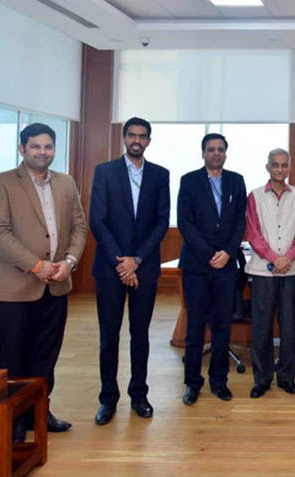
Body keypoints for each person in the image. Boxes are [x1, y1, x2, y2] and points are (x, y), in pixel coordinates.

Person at [0, 123, 86, 442]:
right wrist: (35, 266)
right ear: (22, 149)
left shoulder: (66, 182)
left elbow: (79, 227)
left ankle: (39, 412)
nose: (42, 152)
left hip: (57, 284)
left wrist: (69, 262)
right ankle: (14, 421)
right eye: (35, 146)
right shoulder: (1, 183)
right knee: (14, 357)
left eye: (48, 146)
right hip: (14, 288)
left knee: (46, 355)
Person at [89, 116, 170, 425]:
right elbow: (98, 220)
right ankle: (108, 399)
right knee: (109, 336)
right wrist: (121, 262)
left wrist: (136, 260)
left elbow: (161, 221)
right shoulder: (104, 172)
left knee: (140, 334)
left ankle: (139, 395)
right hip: (110, 269)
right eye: (132, 135)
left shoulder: (160, 175)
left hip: (144, 267)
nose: (137, 140)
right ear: (124, 138)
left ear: (149, 140)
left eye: (142, 136)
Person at [177, 133, 246, 405]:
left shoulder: (236, 181)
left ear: (226, 153)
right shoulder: (189, 181)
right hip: (197, 265)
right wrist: (209, 254)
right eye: (211, 149)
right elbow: (185, 222)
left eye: (220, 149)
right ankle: (192, 383)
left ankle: (219, 381)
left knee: (222, 327)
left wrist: (228, 252)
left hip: (226, 267)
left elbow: (240, 221)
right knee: (195, 329)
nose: (216, 153)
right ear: (203, 153)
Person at [245, 148, 295, 398]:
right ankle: (262, 379)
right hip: (263, 271)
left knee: (289, 327)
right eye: (275, 164)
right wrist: (274, 258)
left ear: (289, 167)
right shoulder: (255, 196)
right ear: (268, 167)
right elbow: (253, 233)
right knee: (261, 327)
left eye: (284, 165)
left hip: (292, 270)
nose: (280, 169)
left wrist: (287, 258)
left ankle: (286, 377)